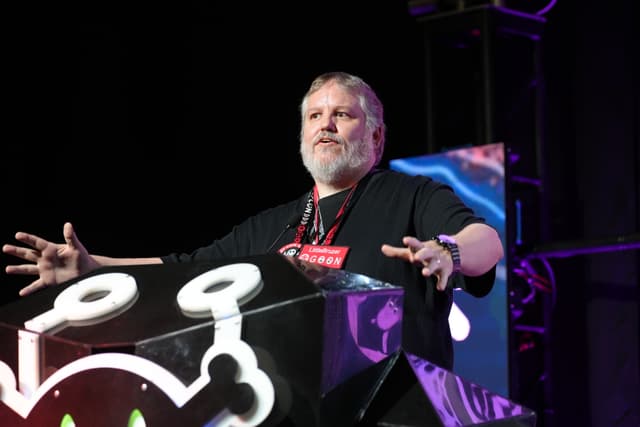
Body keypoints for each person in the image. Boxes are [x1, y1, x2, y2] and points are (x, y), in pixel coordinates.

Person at [2, 71, 503, 370]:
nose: (325, 124)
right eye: (314, 116)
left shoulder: (410, 194)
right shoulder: (274, 225)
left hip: (397, 407)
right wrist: (94, 270)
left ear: (375, 139)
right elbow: (183, 269)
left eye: (342, 115)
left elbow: (488, 242)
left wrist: (450, 251)